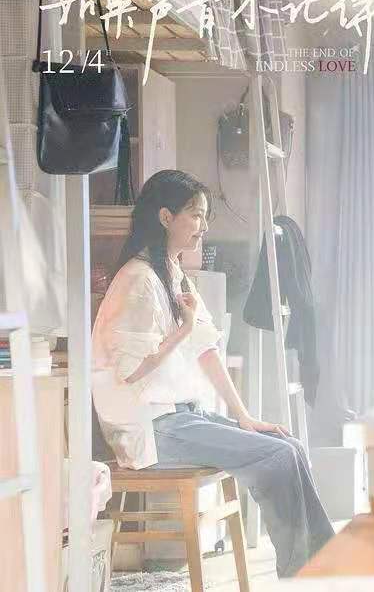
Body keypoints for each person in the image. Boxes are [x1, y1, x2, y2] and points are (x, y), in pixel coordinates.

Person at [92, 169, 334, 577]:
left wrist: (245, 418)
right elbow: (132, 371)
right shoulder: (137, 279)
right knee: (277, 457)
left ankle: (324, 564)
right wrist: (182, 330)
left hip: (180, 418)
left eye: (205, 216)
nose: (203, 225)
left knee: (288, 445)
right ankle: (305, 573)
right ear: (166, 217)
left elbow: (207, 350)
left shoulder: (174, 273)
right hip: (150, 429)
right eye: (196, 215)